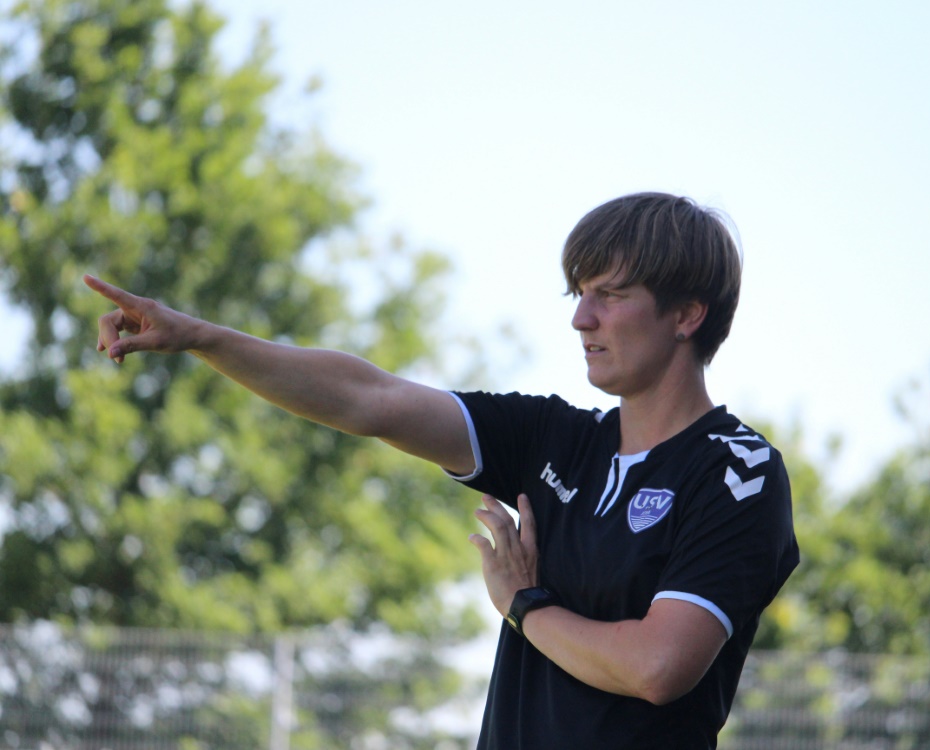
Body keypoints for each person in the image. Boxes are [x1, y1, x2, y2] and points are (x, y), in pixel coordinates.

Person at [85, 191, 798, 749]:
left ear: (687, 315)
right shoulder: (553, 438)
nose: (581, 318)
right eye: (577, 294)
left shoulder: (739, 472)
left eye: (609, 294)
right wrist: (202, 338)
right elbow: (371, 398)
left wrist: (526, 607)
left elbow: (658, 668)